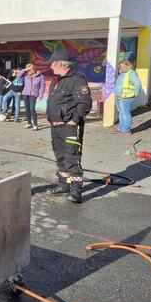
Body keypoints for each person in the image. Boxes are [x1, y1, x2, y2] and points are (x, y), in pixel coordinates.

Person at [45, 50, 92, 204]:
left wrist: (75, 120)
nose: (51, 67)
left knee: (72, 157)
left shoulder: (76, 79)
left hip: (69, 127)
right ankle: (63, 186)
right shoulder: (57, 80)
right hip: (56, 127)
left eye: (52, 64)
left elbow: (84, 102)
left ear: (60, 64)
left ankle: (76, 191)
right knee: (60, 157)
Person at [114, 60, 141, 135]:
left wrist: (135, 94)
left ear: (128, 66)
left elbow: (138, 84)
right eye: (120, 66)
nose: (121, 68)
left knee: (125, 113)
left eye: (123, 66)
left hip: (126, 97)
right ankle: (121, 128)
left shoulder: (131, 73)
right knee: (121, 113)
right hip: (120, 96)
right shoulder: (122, 74)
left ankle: (126, 130)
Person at [18, 63, 45, 131]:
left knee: (32, 109)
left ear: (34, 69)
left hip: (33, 94)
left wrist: (41, 95)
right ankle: (29, 123)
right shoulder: (25, 75)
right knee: (27, 109)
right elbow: (18, 76)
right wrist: (25, 69)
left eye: (30, 69)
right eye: (28, 69)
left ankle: (35, 124)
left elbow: (42, 86)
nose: (28, 71)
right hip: (25, 93)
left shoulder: (40, 76)